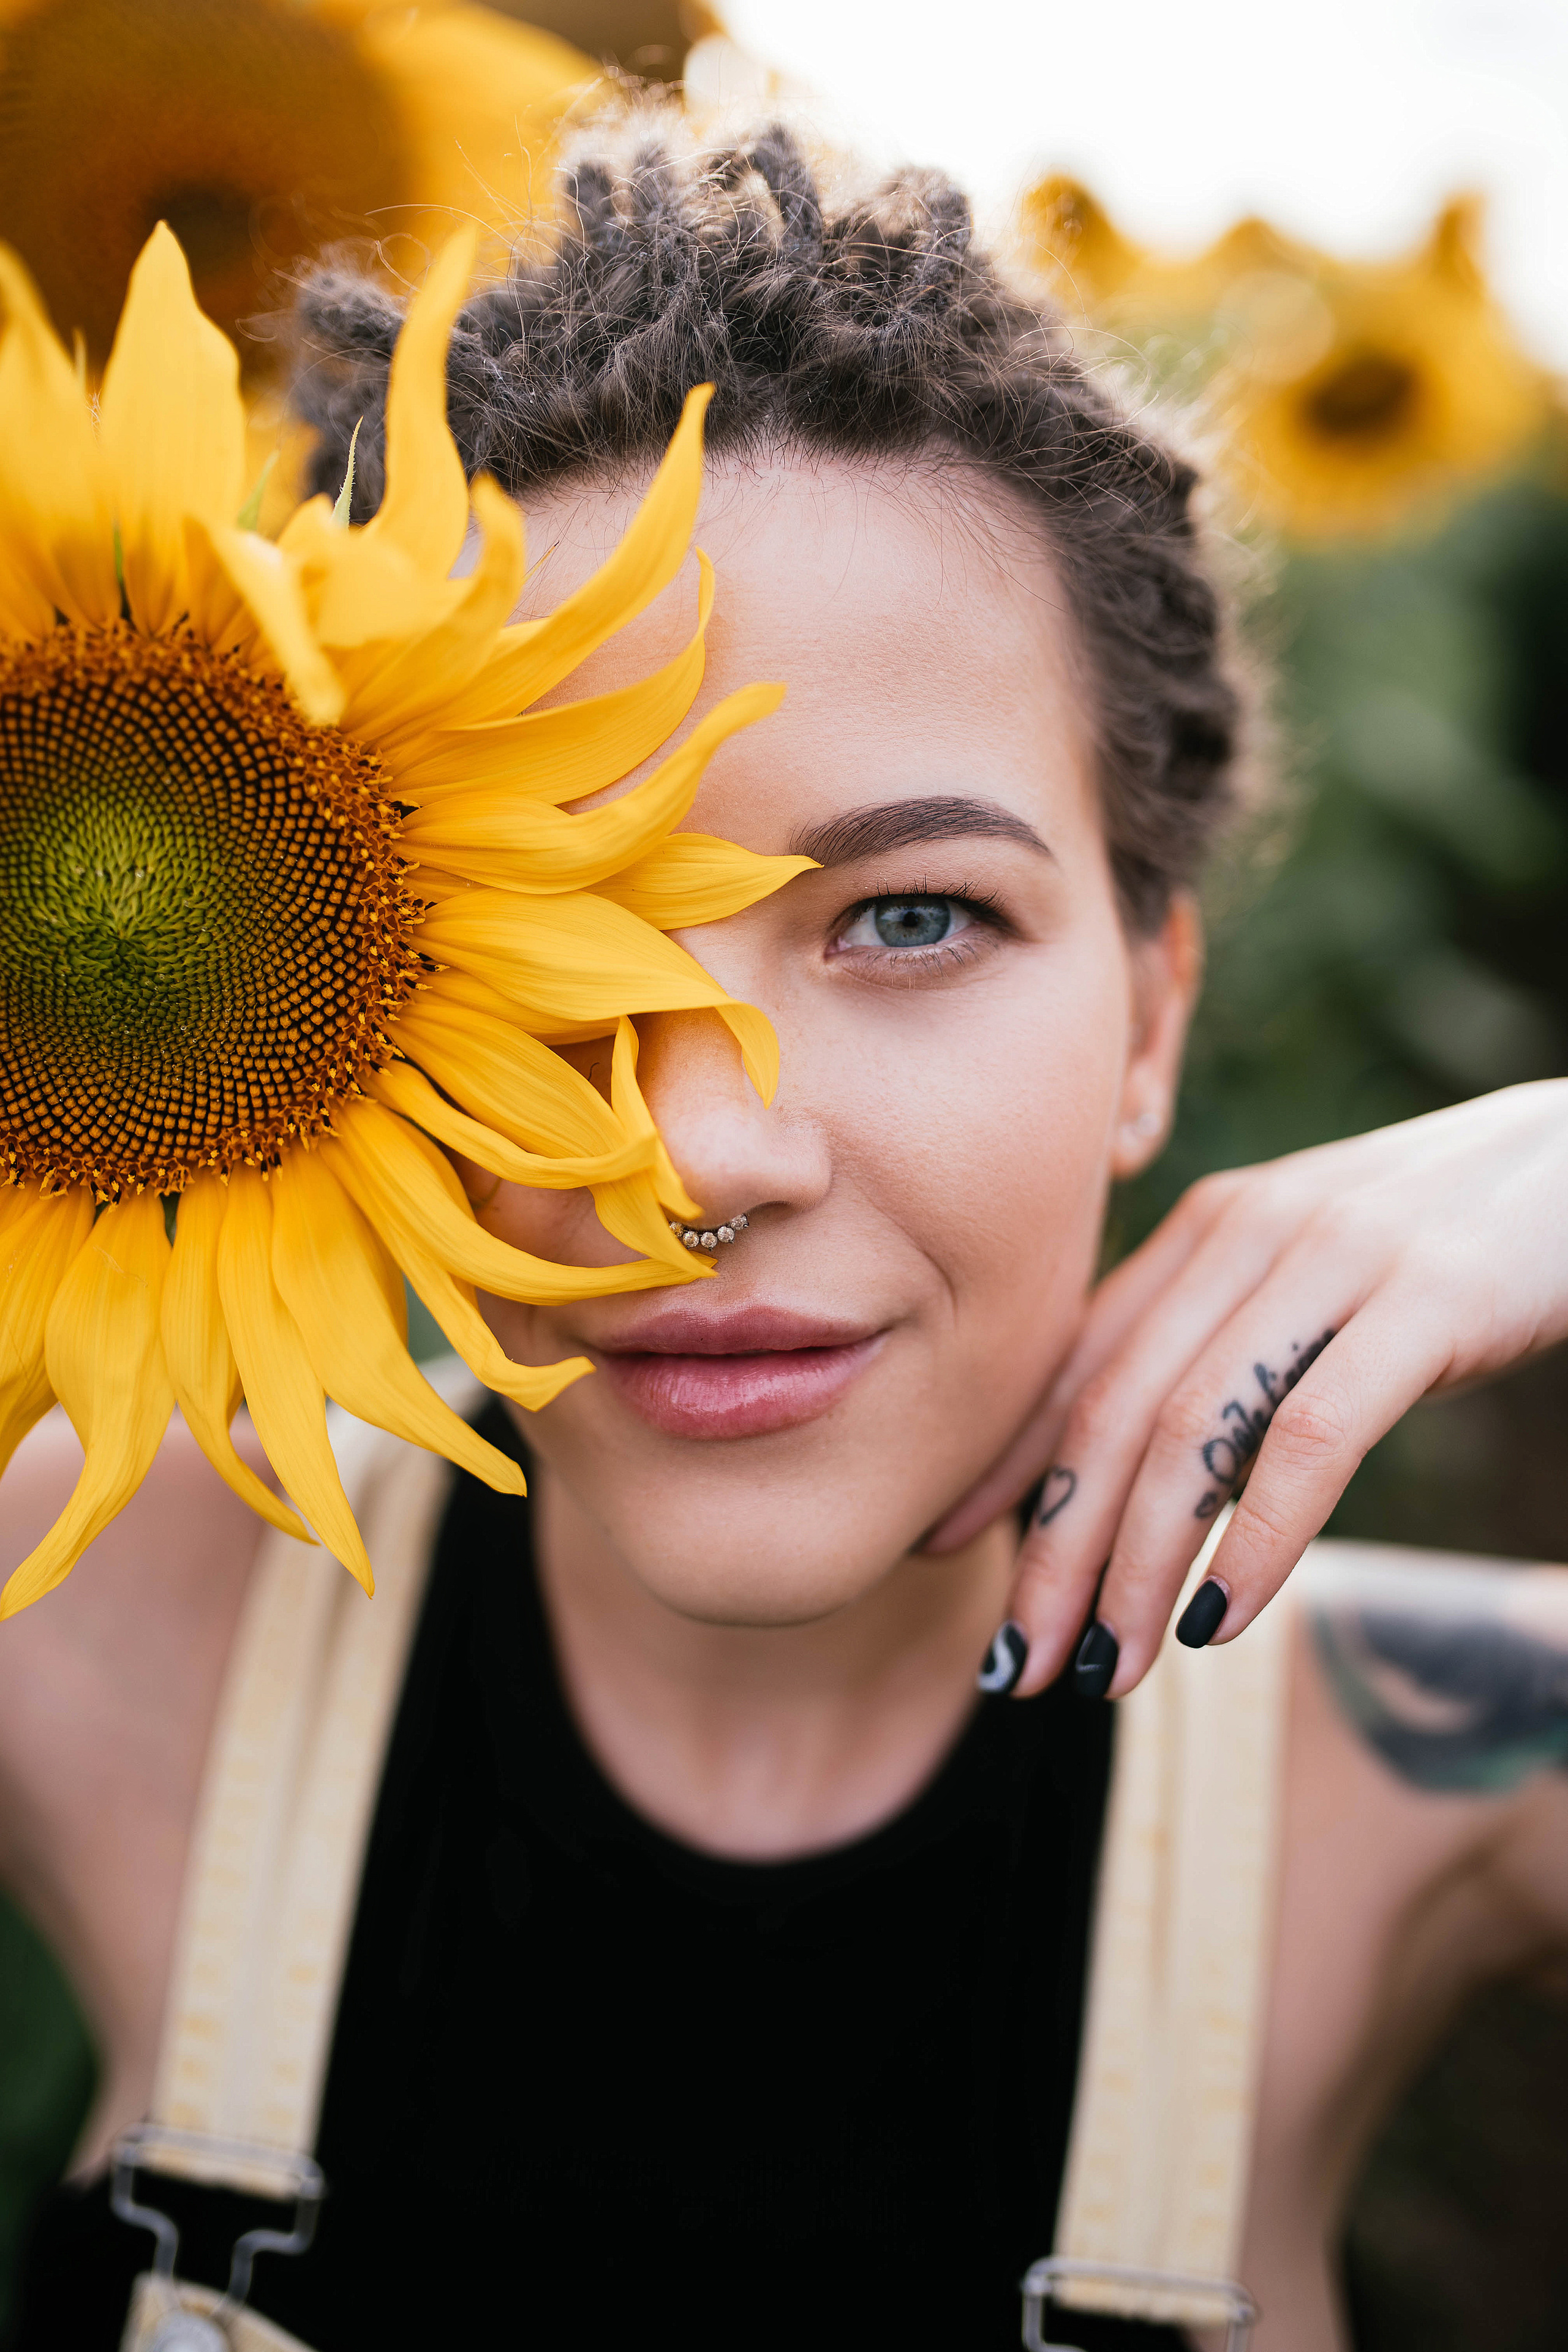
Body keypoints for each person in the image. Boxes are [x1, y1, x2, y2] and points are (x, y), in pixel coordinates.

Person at [2, 109, 1567, 2352]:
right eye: (544, 933)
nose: (704, 1152)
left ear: (1155, 1013)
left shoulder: (1427, 1764)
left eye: (912, 915)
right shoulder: (93, 1614)